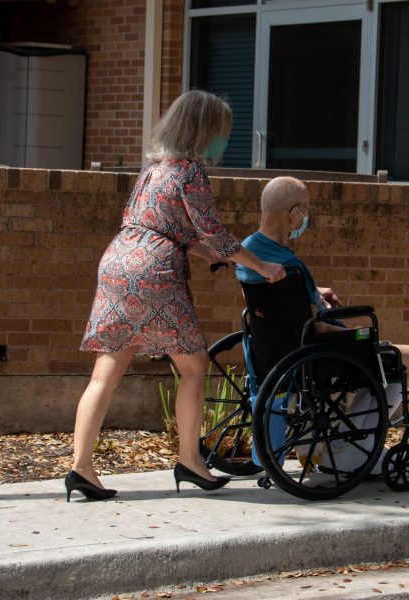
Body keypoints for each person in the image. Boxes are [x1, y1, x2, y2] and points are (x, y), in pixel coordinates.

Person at [67, 91, 286, 502]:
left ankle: (80, 467)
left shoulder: (153, 169)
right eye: (221, 132)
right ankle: (190, 460)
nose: (224, 140)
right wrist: (262, 266)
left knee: (106, 371)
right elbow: (214, 232)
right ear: (204, 131)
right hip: (155, 272)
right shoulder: (191, 173)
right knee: (194, 366)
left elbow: (171, 229)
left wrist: (208, 256)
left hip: (118, 261)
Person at [236, 176, 409, 474]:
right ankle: (353, 446)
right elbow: (318, 328)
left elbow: (279, 302)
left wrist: (315, 291)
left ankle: (334, 442)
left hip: (272, 352)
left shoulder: (248, 253)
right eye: (306, 209)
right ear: (294, 213)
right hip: (315, 353)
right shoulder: (293, 266)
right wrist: (358, 336)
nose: (306, 217)